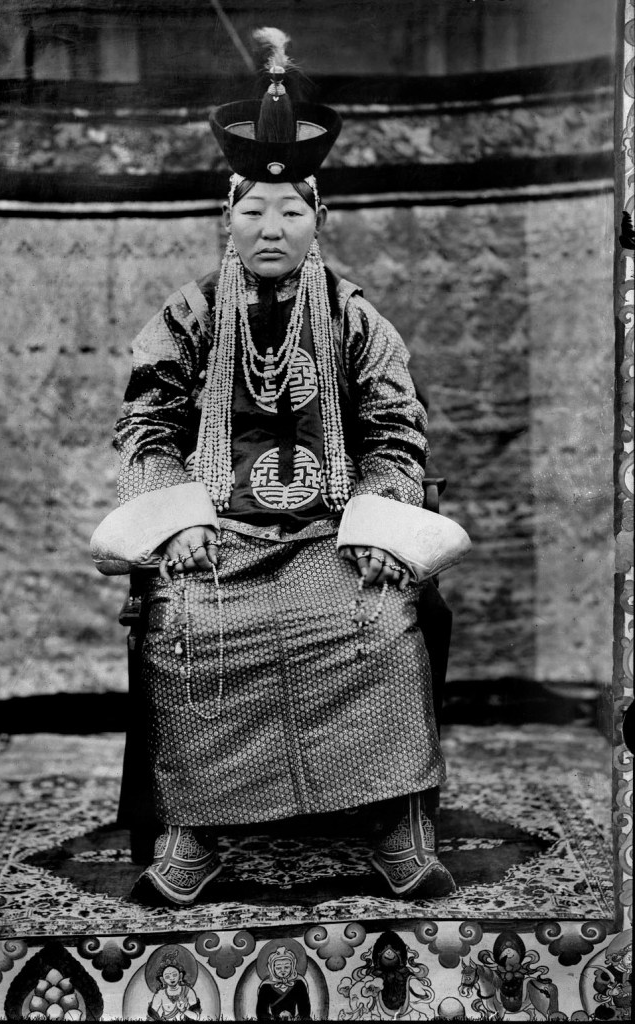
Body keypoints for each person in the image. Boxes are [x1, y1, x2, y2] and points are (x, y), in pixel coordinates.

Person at [99, 28, 458, 907]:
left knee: (378, 622)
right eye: (253, 210)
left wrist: (380, 523)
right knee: (187, 629)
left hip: (330, 537)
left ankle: (394, 824)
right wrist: (175, 519)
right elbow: (145, 428)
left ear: (318, 219)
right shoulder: (187, 317)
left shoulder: (353, 318)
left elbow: (394, 431)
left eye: (291, 210)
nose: (271, 227)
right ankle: (195, 830)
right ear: (228, 215)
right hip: (216, 539)